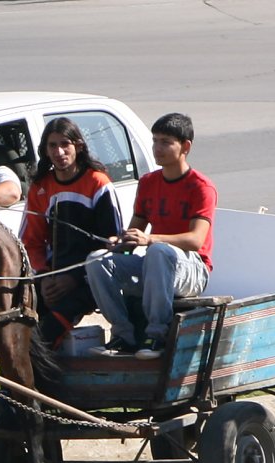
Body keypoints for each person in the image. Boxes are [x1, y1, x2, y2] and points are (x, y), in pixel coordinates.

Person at [85, 112, 217, 360]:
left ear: (185, 147)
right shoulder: (147, 182)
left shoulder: (201, 187)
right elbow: (134, 232)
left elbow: (196, 240)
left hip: (193, 271)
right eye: (155, 140)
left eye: (166, 142)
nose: (157, 148)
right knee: (96, 260)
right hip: (156, 265)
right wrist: (119, 243)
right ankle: (124, 336)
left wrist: (151, 239)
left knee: (157, 251)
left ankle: (157, 335)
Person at [20, 117, 121, 350]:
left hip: (89, 280)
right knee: (17, 327)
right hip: (51, 279)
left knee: (43, 337)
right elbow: (30, 242)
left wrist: (74, 279)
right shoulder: (40, 187)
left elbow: (113, 246)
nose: (59, 151)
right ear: (45, 151)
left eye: (65, 144)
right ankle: (14, 385)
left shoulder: (98, 183)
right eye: (52, 145)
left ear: (79, 146)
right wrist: (44, 278)